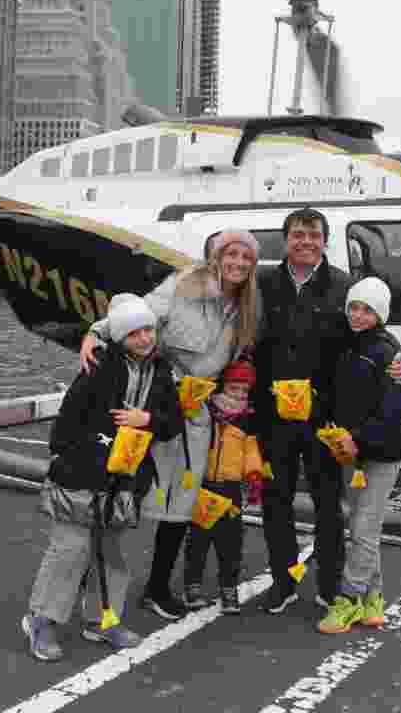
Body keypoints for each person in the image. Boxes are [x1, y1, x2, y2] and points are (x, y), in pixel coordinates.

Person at [78, 229, 262, 620]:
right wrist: (95, 333)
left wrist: (225, 394)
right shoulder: (183, 285)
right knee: (122, 495)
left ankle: (157, 588)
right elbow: (138, 313)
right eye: (232, 254)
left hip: (194, 415)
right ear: (215, 256)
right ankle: (88, 583)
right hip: (152, 399)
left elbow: (232, 362)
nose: (239, 264)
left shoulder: (245, 306)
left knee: (179, 505)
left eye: (247, 258)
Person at [24, 294, 182, 661]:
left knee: (111, 552)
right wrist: (90, 452)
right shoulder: (95, 367)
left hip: (126, 479)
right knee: (71, 548)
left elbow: (172, 422)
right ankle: (42, 620)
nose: (144, 339)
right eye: (134, 334)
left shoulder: (161, 372)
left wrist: (148, 421)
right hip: (83, 474)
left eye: (148, 331)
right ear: (119, 337)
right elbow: (64, 429)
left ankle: (103, 620)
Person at [250, 208, 358, 614]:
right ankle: (284, 581)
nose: (306, 242)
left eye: (314, 235)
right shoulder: (262, 283)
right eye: (298, 235)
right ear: (286, 239)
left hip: (322, 419)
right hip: (272, 418)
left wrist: (400, 359)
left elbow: (368, 337)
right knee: (275, 502)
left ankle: (330, 585)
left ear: (324, 241)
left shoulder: (344, 287)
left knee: (329, 504)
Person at [318, 277, 401, 633]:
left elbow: (394, 409)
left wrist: (356, 438)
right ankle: (374, 597)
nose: (358, 315)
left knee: (362, 528)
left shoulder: (389, 352)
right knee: (363, 528)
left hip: (379, 455)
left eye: (367, 310)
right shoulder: (346, 343)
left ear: (381, 314)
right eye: (353, 308)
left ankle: (349, 599)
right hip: (350, 452)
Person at [183, 359, 263, 615]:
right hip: (204, 484)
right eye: (233, 388)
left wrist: (253, 473)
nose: (239, 395)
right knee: (198, 539)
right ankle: (192, 585)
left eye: (244, 390)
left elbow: (250, 447)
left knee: (230, 541)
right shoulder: (206, 409)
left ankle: (229, 587)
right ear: (223, 387)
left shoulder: (248, 417)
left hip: (231, 487)